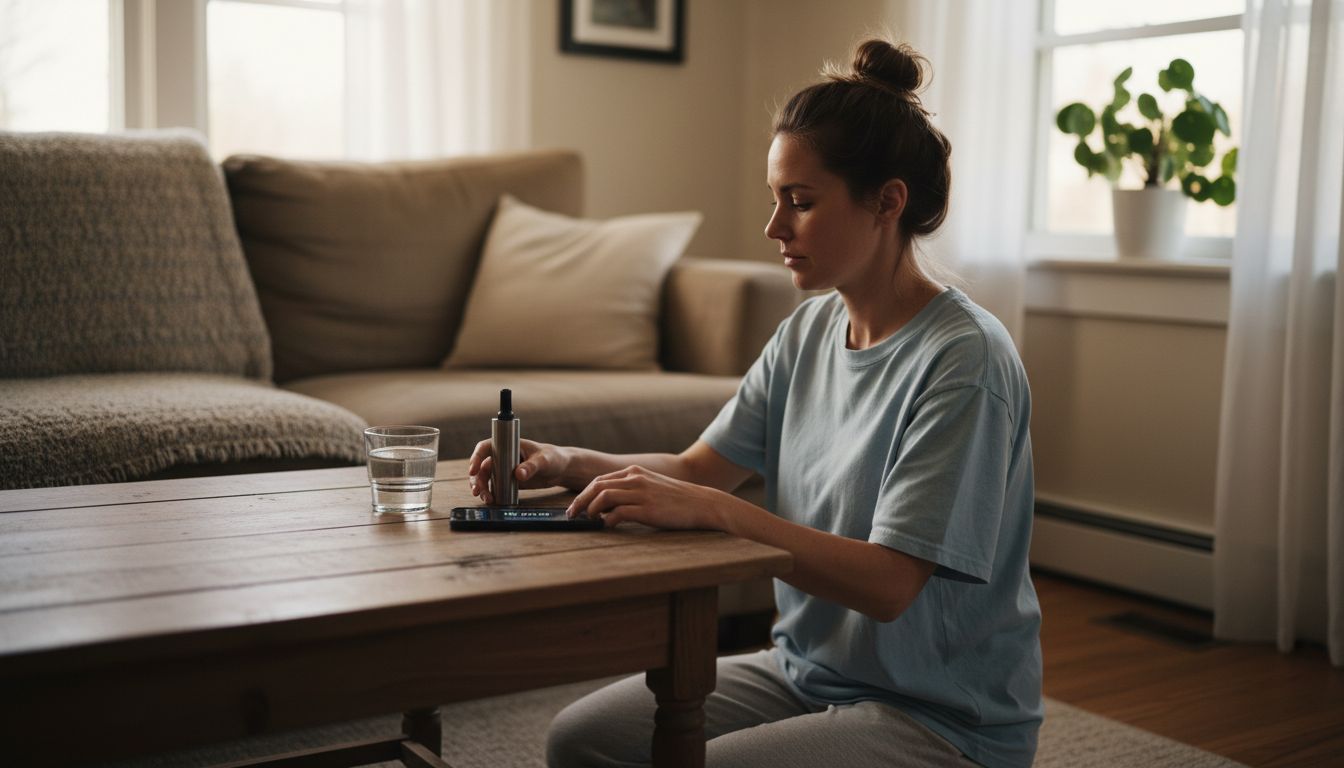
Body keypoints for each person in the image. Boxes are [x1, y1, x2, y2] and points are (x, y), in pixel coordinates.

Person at [466, 38, 1042, 768]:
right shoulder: (806, 331)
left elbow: (890, 584)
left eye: (800, 203)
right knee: (581, 742)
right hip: (806, 674)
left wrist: (721, 514)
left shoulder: (965, 360)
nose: (775, 229)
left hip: (941, 717)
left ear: (887, 202)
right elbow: (695, 469)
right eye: (776, 200)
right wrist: (568, 461)